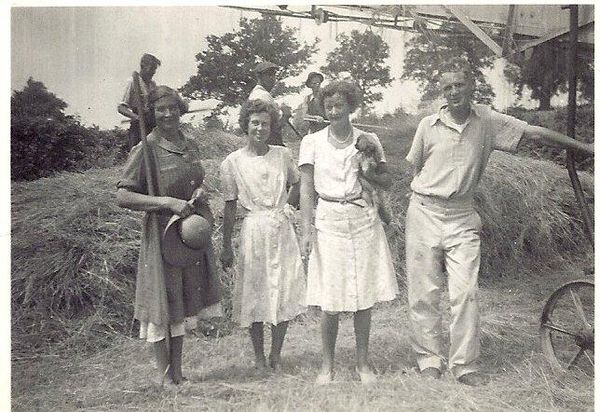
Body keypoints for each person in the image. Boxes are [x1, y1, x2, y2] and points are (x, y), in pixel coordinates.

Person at [405, 58, 594, 386]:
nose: (454, 92)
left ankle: (464, 366)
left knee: (465, 292)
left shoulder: (488, 120)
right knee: (424, 291)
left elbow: (533, 133)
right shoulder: (427, 125)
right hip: (424, 211)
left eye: (459, 85)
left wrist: (585, 147)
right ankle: (429, 361)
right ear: (441, 91)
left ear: (470, 85)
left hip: (462, 215)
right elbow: (415, 167)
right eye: (447, 87)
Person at [116, 85, 221, 386]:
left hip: (186, 233)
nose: (167, 114)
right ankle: (164, 377)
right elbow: (123, 196)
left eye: (172, 107)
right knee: (162, 303)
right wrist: (165, 202)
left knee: (180, 300)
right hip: (161, 235)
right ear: (152, 113)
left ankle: (178, 372)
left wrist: (197, 191)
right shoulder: (145, 149)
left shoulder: (189, 145)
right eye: (160, 109)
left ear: (180, 109)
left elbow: (195, 179)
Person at [299, 81, 399, 385]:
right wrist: (306, 228)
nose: (333, 112)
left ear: (350, 107)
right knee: (330, 299)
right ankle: (326, 366)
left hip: (362, 219)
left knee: (362, 295)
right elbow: (305, 188)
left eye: (339, 106)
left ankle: (363, 364)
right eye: (328, 107)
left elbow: (387, 181)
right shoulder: (312, 142)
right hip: (328, 221)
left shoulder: (369, 139)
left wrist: (368, 171)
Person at [220, 99, 306, 371]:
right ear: (245, 125)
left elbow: (298, 182)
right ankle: (258, 357)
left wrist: (289, 206)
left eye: (265, 124)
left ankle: (276, 354)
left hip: (281, 226)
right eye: (255, 123)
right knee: (255, 293)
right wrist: (226, 246)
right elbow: (230, 204)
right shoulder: (232, 162)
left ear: (273, 126)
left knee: (283, 289)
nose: (260, 128)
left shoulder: (282, 154)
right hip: (254, 229)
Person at [118, 53, 161, 150]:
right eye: (151, 68)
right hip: (138, 128)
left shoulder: (152, 84)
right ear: (143, 66)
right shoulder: (133, 82)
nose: (153, 72)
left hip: (153, 126)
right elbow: (121, 108)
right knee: (137, 158)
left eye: (155, 69)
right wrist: (136, 117)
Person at [248, 61, 291, 146]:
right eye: (268, 75)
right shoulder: (263, 95)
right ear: (259, 77)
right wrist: (286, 115)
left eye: (274, 75)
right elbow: (272, 128)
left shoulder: (257, 93)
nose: (272, 78)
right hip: (268, 144)